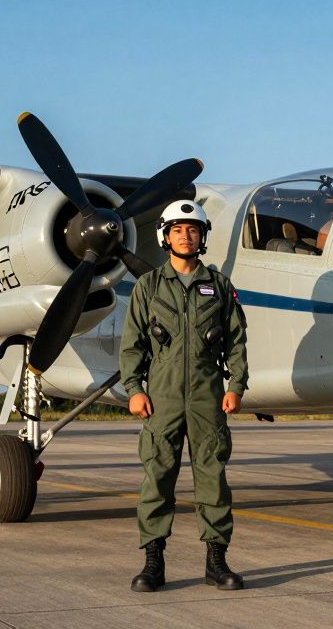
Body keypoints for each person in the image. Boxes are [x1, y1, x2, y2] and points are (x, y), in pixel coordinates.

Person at [120, 201, 249, 593]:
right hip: (162, 395)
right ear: (166, 236)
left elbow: (236, 341)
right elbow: (132, 344)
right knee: (157, 477)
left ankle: (216, 562)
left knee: (213, 478)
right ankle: (153, 562)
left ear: (202, 236)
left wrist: (236, 386)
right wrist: (134, 389)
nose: (185, 236)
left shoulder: (219, 286)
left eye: (192, 229)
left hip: (208, 395)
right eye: (177, 229)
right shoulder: (148, 286)